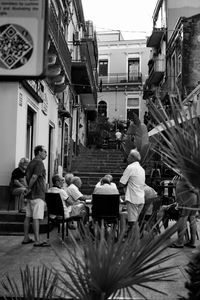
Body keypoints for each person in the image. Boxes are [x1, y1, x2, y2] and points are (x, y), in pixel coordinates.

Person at [21, 145, 49, 247]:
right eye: (45, 151)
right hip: (37, 194)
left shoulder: (30, 163)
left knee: (28, 217)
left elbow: (25, 177)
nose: (46, 153)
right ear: (39, 152)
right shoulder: (39, 163)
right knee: (36, 217)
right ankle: (37, 240)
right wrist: (28, 188)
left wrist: (27, 188)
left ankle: (26, 237)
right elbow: (34, 177)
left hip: (30, 196)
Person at [119, 149, 145, 236]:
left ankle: (134, 242)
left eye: (129, 156)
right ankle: (133, 240)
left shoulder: (130, 167)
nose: (128, 158)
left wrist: (123, 191)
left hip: (133, 198)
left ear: (133, 158)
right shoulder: (141, 169)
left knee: (133, 222)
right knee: (134, 221)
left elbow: (121, 183)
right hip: (141, 198)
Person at [170, 175, 199, 248]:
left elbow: (194, 188)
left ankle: (179, 242)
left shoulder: (186, 175)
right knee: (192, 220)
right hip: (193, 200)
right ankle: (192, 242)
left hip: (186, 200)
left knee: (182, 219)